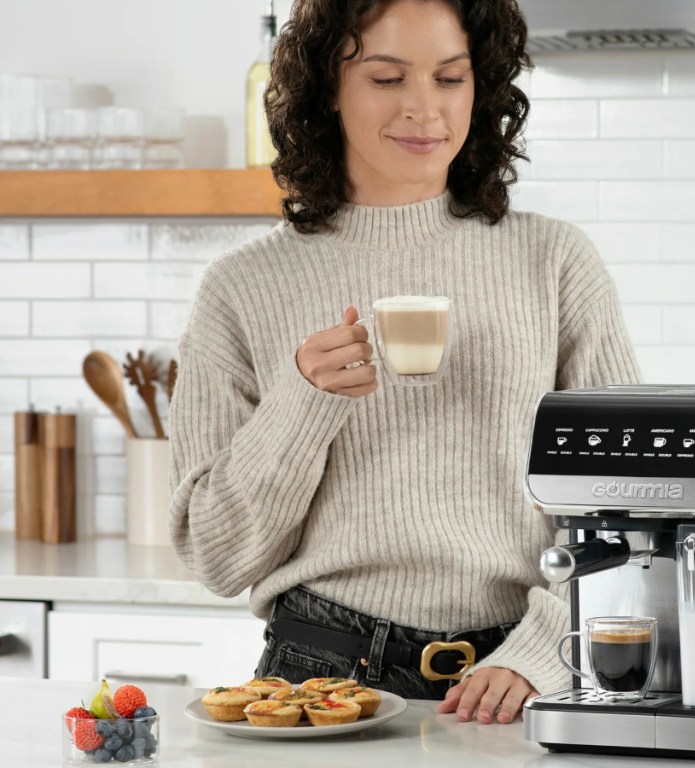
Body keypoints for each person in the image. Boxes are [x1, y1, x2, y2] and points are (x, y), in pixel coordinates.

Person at [168, 0, 640, 725]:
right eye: (388, 79)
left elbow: (628, 498)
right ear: (329, 87)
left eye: (450, 78)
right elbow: (217, 557)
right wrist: (304, 401)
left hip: (518, 679)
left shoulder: (553, 260)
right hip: (320, 676)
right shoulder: (242, 286)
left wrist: (544, 647)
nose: (425, 109)